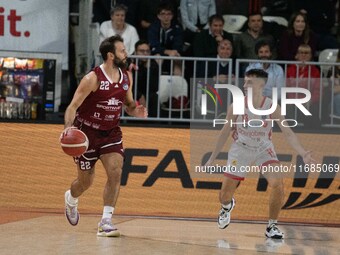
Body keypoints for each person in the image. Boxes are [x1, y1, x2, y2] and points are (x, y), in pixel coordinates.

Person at [205, 69, 315, 239]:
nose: (245, 84)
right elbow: (224, 132)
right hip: (240, 150)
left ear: (261, 85)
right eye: (245, 81)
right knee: (224, 196)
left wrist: (302, 152)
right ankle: (227, 206)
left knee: (278, 183)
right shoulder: (236, 106)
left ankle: (272, 226)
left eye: (250, 82)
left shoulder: (272, 106)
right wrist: (212, 157)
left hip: (264, 149)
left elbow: (287, 132)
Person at [62, 35, 148, 237]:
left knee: (116, 171)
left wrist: (135, 111)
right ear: (111, 55)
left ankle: (106, 221)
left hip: (111, 132)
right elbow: (73, 106)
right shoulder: (92, 78)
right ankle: (71, 198)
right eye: (122, 50)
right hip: (86, 133)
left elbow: (128, 104)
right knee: (85, 182)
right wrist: (68, 127)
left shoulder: (126, 76)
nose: (126, 53)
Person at [286, 44, 321, 127]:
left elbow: (318, 89)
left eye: (306, 53)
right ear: (296, 55)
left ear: (310, 56)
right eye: (301, 52)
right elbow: (286, 88)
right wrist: (294, 100)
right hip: (292, 101)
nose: (304, 55)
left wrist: (311, 100)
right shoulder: (290, 70)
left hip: (308, 102)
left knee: (313, 110)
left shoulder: (315, 71)